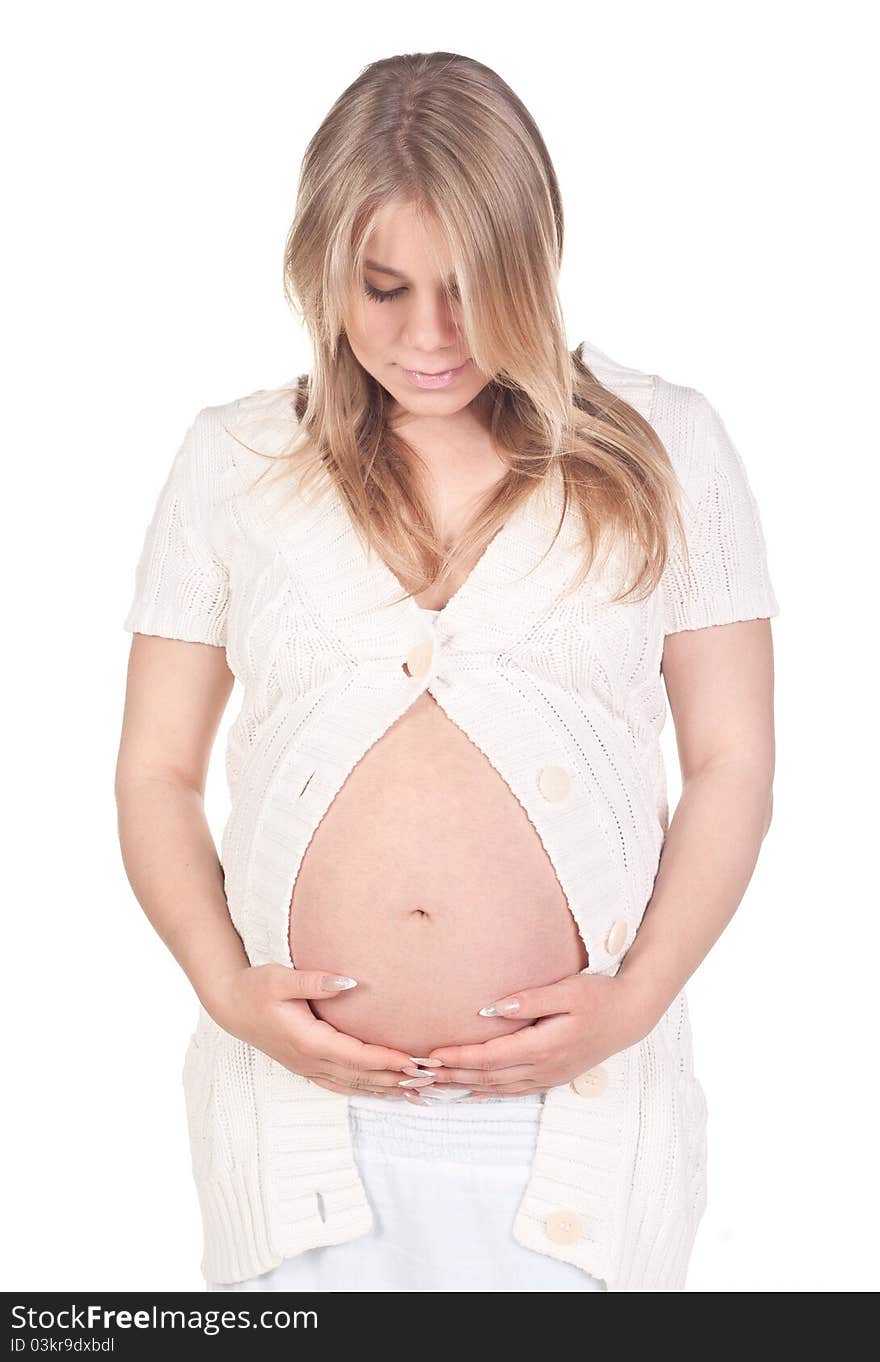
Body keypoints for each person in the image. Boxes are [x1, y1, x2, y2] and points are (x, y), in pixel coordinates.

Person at [115, 51, 780, 1293]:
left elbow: (733, 763)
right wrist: (222, 985)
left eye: (475, 290)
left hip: (573, 1139)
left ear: (537, 263)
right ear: (322, 267)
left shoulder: (667, 448)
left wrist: (637, 999)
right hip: (294, 1136)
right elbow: (155, 769)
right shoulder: (232, 461)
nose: (429, 339)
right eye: (383, 289)